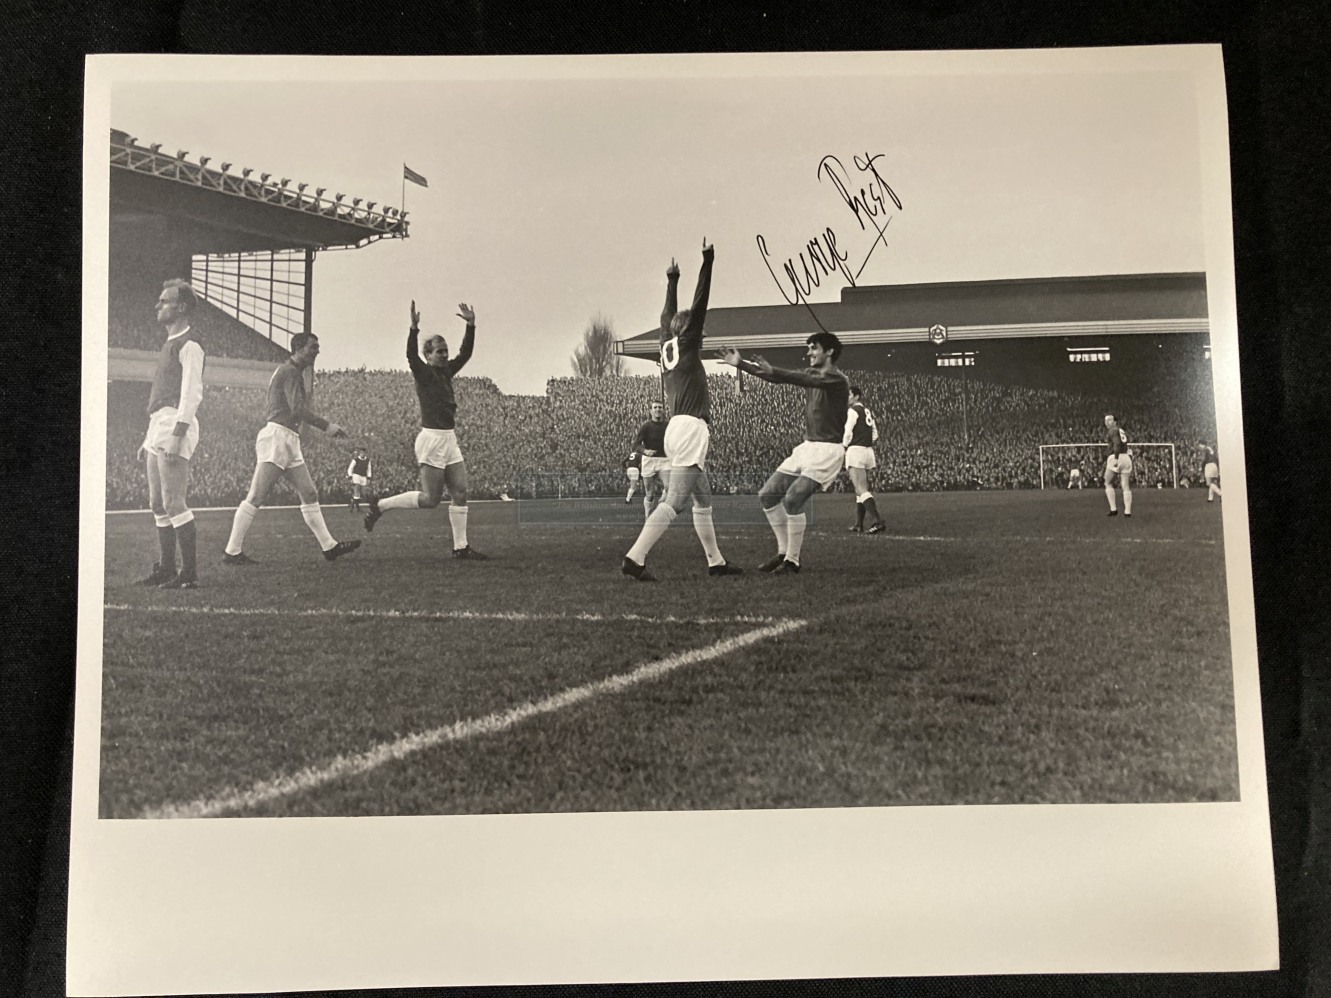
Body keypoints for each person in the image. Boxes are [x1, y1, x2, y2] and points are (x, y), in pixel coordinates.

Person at [620, 241, 742, 581]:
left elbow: (665, 317)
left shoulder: (666, 345)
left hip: (678, 428)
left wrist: (672, 279)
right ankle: (635, 557)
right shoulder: (687, 342)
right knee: (674, 501)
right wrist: (708, 261)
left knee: (702, 497)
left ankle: (716, 562)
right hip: (690, 428)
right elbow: (700, 303)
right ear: (689, 330)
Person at [362, 302, 487, 559]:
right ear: (428, 355)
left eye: (445, 351)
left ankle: (461, 548)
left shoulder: (447, 371)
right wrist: (413, 328)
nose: (444, 355)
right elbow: (410, 356)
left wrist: (471, 325)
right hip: (432, 439)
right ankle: (381, 506)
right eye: (439, 352)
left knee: (461, 492)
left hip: (448, 438)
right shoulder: (425, 374)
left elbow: (465, 354)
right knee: (431, 500)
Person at [222, 332, 361, 563]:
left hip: (288, 438)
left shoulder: (290, 371)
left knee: (309, 493)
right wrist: (327, 426)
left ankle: (329, 547)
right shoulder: (291, 372)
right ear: (298, 348)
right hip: (277, 436)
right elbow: (297, 409)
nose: (317, 351)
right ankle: (232, 551)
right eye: (313, 347)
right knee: (256, 495)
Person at [720, 332, 851, 573]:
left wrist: (775, 370)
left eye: (814, 348)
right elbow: (779, 378)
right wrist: (742, 365)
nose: (809, 352)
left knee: (792, 499)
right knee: (768, 495)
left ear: (830, 352)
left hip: (828, 450)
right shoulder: (813, 374)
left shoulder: (838, 380)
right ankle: (783, 552)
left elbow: (797, 378)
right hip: (807, 447)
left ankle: (792, 560)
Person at [137, 279, 205, 589]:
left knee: (173, 501)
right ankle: (166, 568)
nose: (158, 305)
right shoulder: (168, 344)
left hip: (175, 423)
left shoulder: (190, 346)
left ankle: (188, 573)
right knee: (156, 502)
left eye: (165, 301)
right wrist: (147, 438)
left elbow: (191, 394)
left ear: (182, 307)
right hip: (158, 425)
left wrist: (178, 433)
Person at [842, 385, 885, 534]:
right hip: (868, 451)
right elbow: (875, 434)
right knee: (859, 489)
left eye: (849, 395)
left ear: (857, 396)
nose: (846, 398)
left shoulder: (853, 411)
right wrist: (866, 441)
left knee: (861, 488)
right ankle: (858, 524)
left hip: (856, 450)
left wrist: (844, 446)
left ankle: (877, 520)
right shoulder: (867, 411)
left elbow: (847, 431)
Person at [632, 400, 670, 518]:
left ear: (663, 410)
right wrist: (645, 451)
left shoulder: (668, 425)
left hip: (664, 460)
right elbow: (636, 445)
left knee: (669, 487)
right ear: (651, 411)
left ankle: (662, 501)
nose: (658, 409)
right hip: (649, 461)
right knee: (650, 493)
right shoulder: (646, 427)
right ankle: (648, 517)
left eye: (660, 407)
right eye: (655, 407)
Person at [1103, 413, 1133, 517]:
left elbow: (1117, 443)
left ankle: (1113, 509)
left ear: (1115, 421)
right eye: (1105, 420)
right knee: (1125, 485)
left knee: (1107, 482)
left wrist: (1116, 458)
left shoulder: (1113, 430)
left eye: (1109, 420)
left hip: (1116, 457)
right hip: (1126, 457)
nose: (1107, 422)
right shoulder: (1121, 430)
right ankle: (1127, 512)